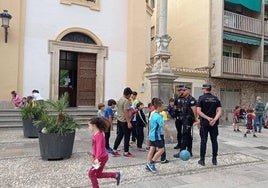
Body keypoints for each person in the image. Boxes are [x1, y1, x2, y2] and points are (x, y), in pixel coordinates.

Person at [88, 117, 120, 188]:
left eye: (89, 125)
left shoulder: (99, 135)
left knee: (91, 174)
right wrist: (93, 155)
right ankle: (115, 175)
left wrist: (97, 158)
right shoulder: (96, 134)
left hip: (101, 158)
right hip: (101, 157)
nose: (89, 127)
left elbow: (99, 148)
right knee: (98, 174)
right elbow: (95, 147)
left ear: (94, 126)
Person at [145, 98, 174, 173]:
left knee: (152, 149)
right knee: (161, 150)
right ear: (158, 107)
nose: (164, 108)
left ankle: (147, 165)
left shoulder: (153, 114)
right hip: (156, 135)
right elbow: (164, 127)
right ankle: (152, 163)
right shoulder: (158, 116)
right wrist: (170, 135)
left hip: (152, 135)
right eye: (162, 106)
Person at [197, 84, 222, 166]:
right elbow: (219, 111)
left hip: (204, 122)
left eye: (202, 89)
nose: (202, 90)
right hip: (214, 123)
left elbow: (198, 111)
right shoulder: (216, 99)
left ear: (205, 89)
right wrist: (214, 119)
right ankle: (214, 159)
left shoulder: (201, 98)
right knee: (214, 141)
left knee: (203, 141)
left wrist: (208, 118)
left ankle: (202, 160)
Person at [173, 86, 198, 158]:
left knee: (185, 134)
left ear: (188, 91)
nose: (181, 91)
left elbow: (194, 110)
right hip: (181, 118)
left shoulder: (191, 99)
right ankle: (189, 151)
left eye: (183, 90)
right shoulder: (180, 98)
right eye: (181, 90)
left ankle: (182, 151)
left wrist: (195, 120)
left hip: (188, 119)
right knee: (187, 135)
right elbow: (176, 106)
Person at [112, 87, 134, 157]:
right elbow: (126, 112)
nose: (130, 96)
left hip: (119, 120)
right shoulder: (126, 101)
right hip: (124, 121)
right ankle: (126, 152)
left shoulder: (119, 100)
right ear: (128, 94)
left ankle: (114, 149)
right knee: (127, 136)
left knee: (120, 135)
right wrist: (128, 122)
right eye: (130, 95)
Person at [173, 85, 186, 149]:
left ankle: (184, 144)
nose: (179, 92)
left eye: (180, 90)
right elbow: (175, 106)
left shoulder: (186, 97)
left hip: (185, 117)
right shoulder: (177, 98)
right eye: (178, 90)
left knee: (185, 131)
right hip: (178, 117)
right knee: (179, 131)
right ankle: (179, 143)